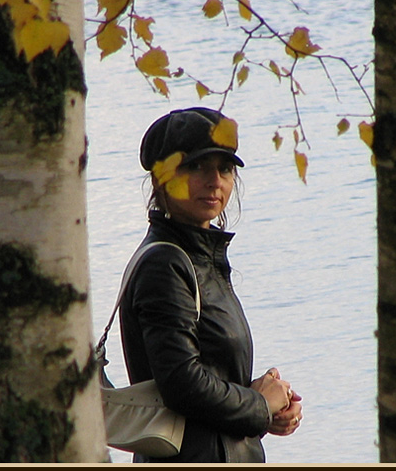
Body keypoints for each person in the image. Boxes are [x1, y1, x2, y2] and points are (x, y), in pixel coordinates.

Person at [118, 107, 303, 463]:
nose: (214, 180)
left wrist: (266, 412)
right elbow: (182, 384)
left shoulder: (199, 256)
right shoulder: (165, 263)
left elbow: (207, 380)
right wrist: (259, 404)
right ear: (162, 178)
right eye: (196, 167)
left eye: (225, 168)